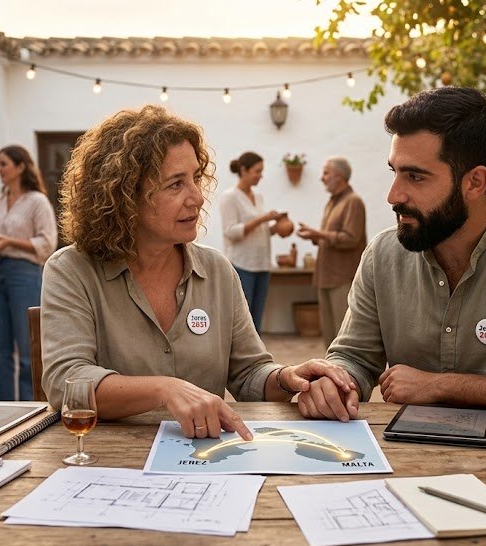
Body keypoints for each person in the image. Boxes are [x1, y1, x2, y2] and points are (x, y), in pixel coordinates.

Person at [40, 105, 354, 440]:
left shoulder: (217, 271)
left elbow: (249, 373)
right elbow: (67, 383)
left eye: (195, 179)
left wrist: (288, 376)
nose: (198, 198)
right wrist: (164, 390)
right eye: (176, 184)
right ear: (124, 195)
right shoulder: (71, 270)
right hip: (110, 467)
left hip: (205, 461)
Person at [297, 87, 486, 422]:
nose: (393, 195)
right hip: (409, 465)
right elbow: (353, 357)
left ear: (475, 182)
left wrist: (441, 386)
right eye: (394, 172)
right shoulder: (382, 256)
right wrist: (336, 382)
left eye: (415, 176)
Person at [0, 145, 58, 401]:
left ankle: (33, 409)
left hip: (24, 274)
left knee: (29, 349)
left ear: (20, 167)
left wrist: (9, 242)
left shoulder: (37, 202)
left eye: (3, 163)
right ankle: (4, 408)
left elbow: (47, 242)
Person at [297, 157, 367, 348]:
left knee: (344, 336)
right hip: (326, 276)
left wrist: (318, 233)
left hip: (342, 278)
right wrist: (313, 235)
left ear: (340, 177)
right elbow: (332, 237)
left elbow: (351, 238)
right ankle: (331, 373)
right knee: (329, 337)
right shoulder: (332, 202)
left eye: (326, 173)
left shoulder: (353, 201)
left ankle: (347, 376)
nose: (321, 178)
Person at [217, 151, 286, 332]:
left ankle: (256, 358)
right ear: (243, 170)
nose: (260, 176)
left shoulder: (259, 197)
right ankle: (240, 358)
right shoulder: (229, 197)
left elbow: (258, 232)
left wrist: (275, 229)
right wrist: (263, 219)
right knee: (243, 318)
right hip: (242, 264)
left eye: (261, 171)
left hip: (262, 264)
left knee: (257, 317)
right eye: (257, 171)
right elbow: (231, 232)